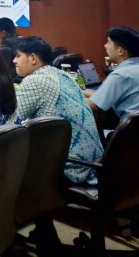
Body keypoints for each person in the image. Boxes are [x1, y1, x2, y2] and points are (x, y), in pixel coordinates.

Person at [15, 36, 103, 184]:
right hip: (94, 165)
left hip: (70, 168)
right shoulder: (62, 75)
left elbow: (11, 120)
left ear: (32, 58)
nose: (14, 61)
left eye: (18, 56)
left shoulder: (36, 81)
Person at [85, 27, 139, 120]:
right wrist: (80, 91)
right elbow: (101, 96)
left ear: (120, 51)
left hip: (131, 133)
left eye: (108, 42)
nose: (105, 46)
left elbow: (91, 106)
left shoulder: (120, 75)